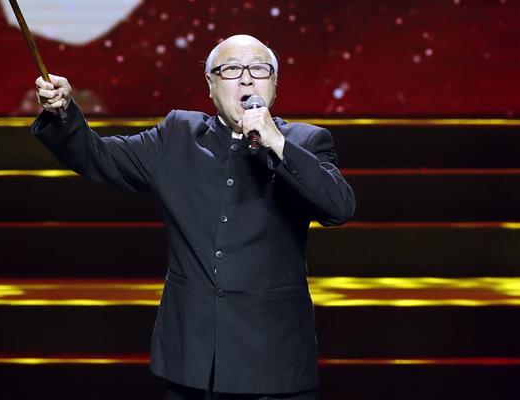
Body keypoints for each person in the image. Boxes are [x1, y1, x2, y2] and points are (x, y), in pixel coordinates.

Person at [31, 34, 355, 399]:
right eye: (232, 69)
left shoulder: (306, 142)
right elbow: (99, 157)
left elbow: (339, 207)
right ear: (210, 85)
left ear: (274, 84)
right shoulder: (178, 136)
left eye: (259, 69)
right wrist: (63, 113)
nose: (247, 79)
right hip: (194, 361)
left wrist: (276, 142)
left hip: (274, 360)